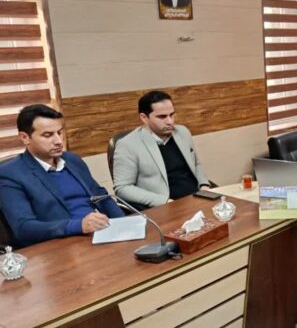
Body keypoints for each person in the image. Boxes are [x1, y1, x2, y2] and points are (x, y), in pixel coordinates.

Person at [0, 105, 123, 247]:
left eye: (59, 132)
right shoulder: (10, 173)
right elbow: (23, 228)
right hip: (57, 246)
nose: (58, 141)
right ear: (25, 137)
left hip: (98, 236)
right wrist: (78, 226)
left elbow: (101, 196)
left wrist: (123, 224)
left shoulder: (72, 160)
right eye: (48, 135)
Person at [113, 91, 210, 208]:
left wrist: (204, 186)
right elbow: (122, 188)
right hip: (166, 206)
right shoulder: (128, 144)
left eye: (172, 115)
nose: (170, 121)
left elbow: (196, 164)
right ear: (144, 118)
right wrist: (164, 201)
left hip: (198, 198)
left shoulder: (182, 132)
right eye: (162, 117)